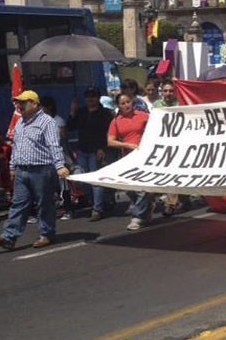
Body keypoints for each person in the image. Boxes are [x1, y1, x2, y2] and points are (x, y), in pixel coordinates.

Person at [0, 91, 70, 250]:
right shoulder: (20, 123)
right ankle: (9, 236)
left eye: (23, 102)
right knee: (18, 204)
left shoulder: (47, 122)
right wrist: (12, 166)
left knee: (44, 204)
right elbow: (16, 147)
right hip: (22, 170)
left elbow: (54, 145)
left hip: (41, 170)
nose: (19, 105)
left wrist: (59, 165)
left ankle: (46, 234)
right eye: (18, 103)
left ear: (35, 104)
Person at [68, 87, 115, 221]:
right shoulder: (81, 112)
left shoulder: (105, 113)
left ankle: (97, 209)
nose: (90, 98)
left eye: (93, 95)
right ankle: (100, 200)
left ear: (98, 97)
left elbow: (108, 133)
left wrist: (102, 148)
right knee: (81, 179)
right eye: (87, 95)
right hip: (83, 150)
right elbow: (71, 127)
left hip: (97, 151)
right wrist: (72, 111)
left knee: (95, 180)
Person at [108, 93, 152, 231]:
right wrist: (127, 145)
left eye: (128, 102)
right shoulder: (116, 121)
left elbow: (158, 126)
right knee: (128, 188)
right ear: (118, 106)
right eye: (123, 103)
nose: (126, 105)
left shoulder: (143, 116)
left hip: (144, 156)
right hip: (127, 158)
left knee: (142, 188)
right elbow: (110, 141)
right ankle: (147, 206)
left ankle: (137, 217)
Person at [152, 80, 191, 216]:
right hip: (165, 145)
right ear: (162, 92)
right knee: (171, 174)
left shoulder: (181, 104)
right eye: (165, 91)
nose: (168, 93)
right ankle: (171, 204)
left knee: (181, 174)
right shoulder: (157, 106)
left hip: (180, 144)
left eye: (171, 91)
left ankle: (183, 199)